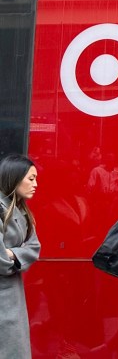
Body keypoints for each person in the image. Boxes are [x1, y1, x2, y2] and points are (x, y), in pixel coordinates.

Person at [0, 154, 39, 359]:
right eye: (31, 178)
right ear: (14, 177)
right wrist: (16, 256)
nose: (35, 184)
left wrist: (12, 253)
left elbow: (34, 247)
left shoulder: (21, 211)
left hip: (12, 295)